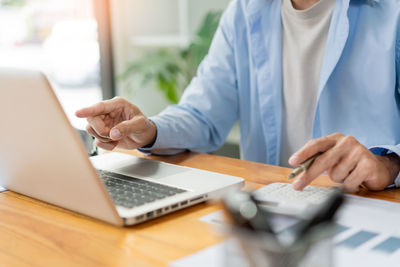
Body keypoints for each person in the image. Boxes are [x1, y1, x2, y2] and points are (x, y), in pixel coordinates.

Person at [76, 0, 400, 193]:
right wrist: (149, 130)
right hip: (274, 211)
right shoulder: (245, 11)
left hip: (369, 207)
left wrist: (390, 164)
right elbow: (203, 114)